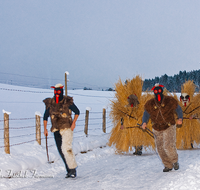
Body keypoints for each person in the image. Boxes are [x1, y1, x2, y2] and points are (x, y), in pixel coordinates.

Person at [141, 83, 183, 172]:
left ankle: (174, 161)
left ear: (162, 90)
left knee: (168, 146)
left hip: (169, 126)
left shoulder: (170, 101)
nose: (157, 92)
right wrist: (144, 122)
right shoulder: (150, 103)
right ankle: (168, 165)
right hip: (156, 128)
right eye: (155, 91)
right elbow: (146, 114)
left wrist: (180, 118)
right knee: (160, 148)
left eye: (159, 90)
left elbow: (178, 109)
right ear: (153, 92)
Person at [43, 83, 80, 178]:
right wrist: (45, 129)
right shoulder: (50, 103)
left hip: (67, 127)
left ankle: (72, 169)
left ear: (62, 91)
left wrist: (73, 123)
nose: (57, 93)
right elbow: (45, 116)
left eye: (58, 91)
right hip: (56, 129)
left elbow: (77, 111)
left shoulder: (67, 101)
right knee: (60, 150)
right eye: (55, 91)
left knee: (66, 148)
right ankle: (69, 170)